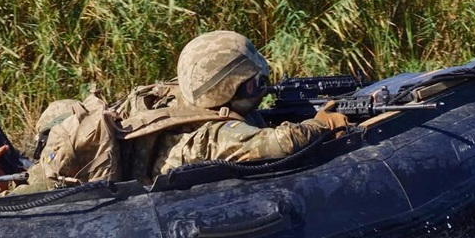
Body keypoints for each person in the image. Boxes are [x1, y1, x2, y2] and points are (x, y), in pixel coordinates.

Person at [117, 30, 350, 183]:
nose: (261, 90)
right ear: (230, 88)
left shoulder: (178, 99)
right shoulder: (213, 138)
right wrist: (322, 123)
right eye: (255, 84)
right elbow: (284, 143)